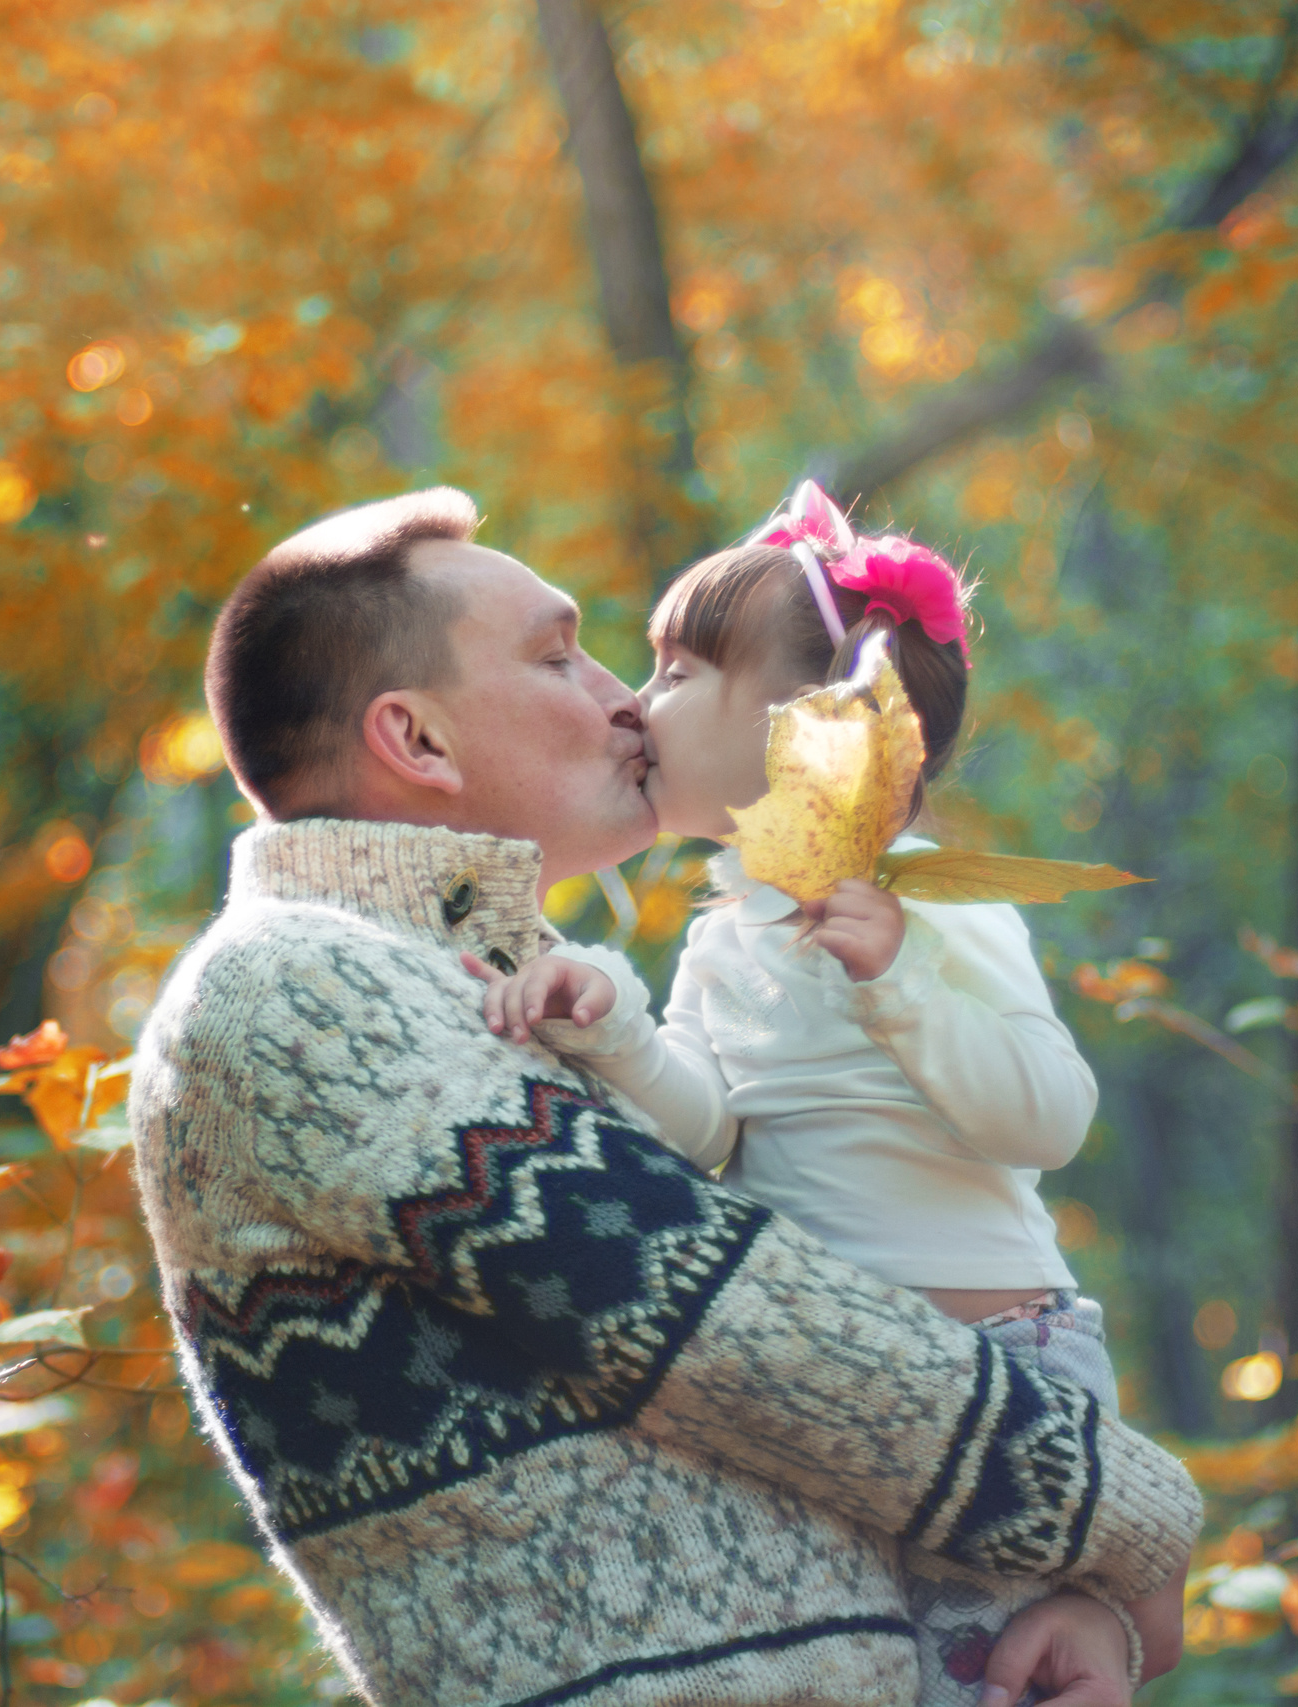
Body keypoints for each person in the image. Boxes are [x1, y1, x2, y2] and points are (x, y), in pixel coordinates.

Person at [127, 488, 1200, 1707]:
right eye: (558, 655)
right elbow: (723, 1316)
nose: (623, 698)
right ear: (416, 741)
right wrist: (1128, 1516)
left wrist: (1064, 1597)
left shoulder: (480, 984)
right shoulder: (305, 987)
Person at [469, 480, 1116, 1704]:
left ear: (809, 723)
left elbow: (1050, 1119)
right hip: (829, 1380)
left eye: (674, 672)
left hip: (992, 1364)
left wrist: (902, 983)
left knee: (985, 1681)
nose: (634, 702)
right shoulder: (726, 934)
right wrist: (611, 1022)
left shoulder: (923, 898)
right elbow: (713, 1131)